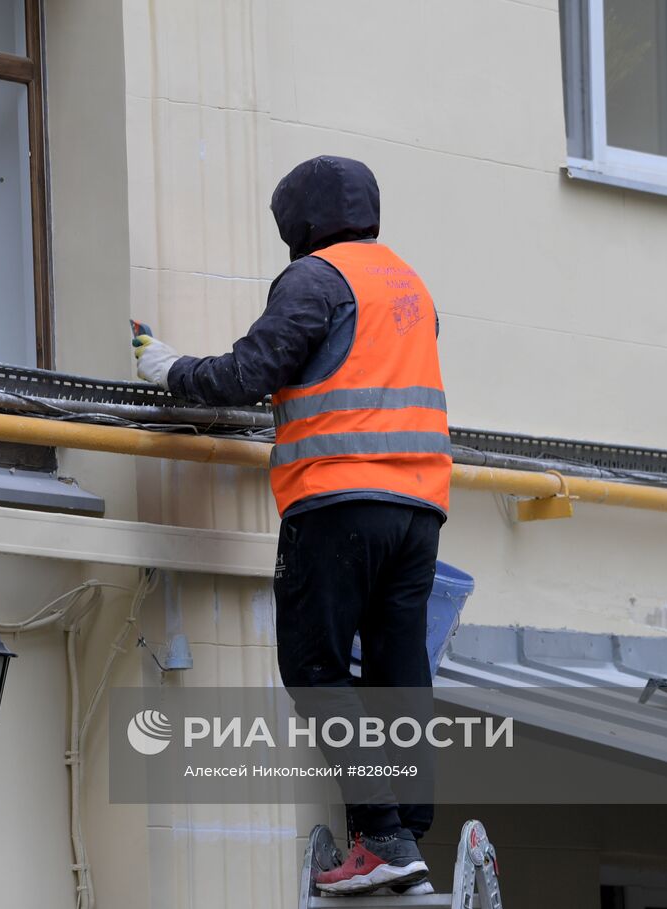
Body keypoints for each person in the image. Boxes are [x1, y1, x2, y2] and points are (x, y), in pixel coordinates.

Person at [132, 155, 451, 896]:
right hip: (421, 509)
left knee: (315, 669)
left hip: (338, 501)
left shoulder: (316, 280)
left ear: (301, 222)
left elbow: (249, 374)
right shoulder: (409, 285)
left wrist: (167, 366)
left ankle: (381, 837)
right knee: (400, 670)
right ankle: (407, 830)